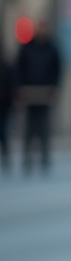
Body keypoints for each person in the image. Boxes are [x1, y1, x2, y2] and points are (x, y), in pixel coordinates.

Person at [15, 21, 61, 174]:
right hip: (30, 91)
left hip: (45, 92)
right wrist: (20, 88)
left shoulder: (51, 48)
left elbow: (57, 69)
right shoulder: (27, 48)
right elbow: (19, 68)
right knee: (29, 127)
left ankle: (45, 157)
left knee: (44, 127)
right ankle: (27, 158)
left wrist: (53, 87)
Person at [0, 40, 13, 173]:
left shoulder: (6, 65)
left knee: (3, 131)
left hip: (4, 104)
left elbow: (11, 84)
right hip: (5, 103)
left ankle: (5, 155)